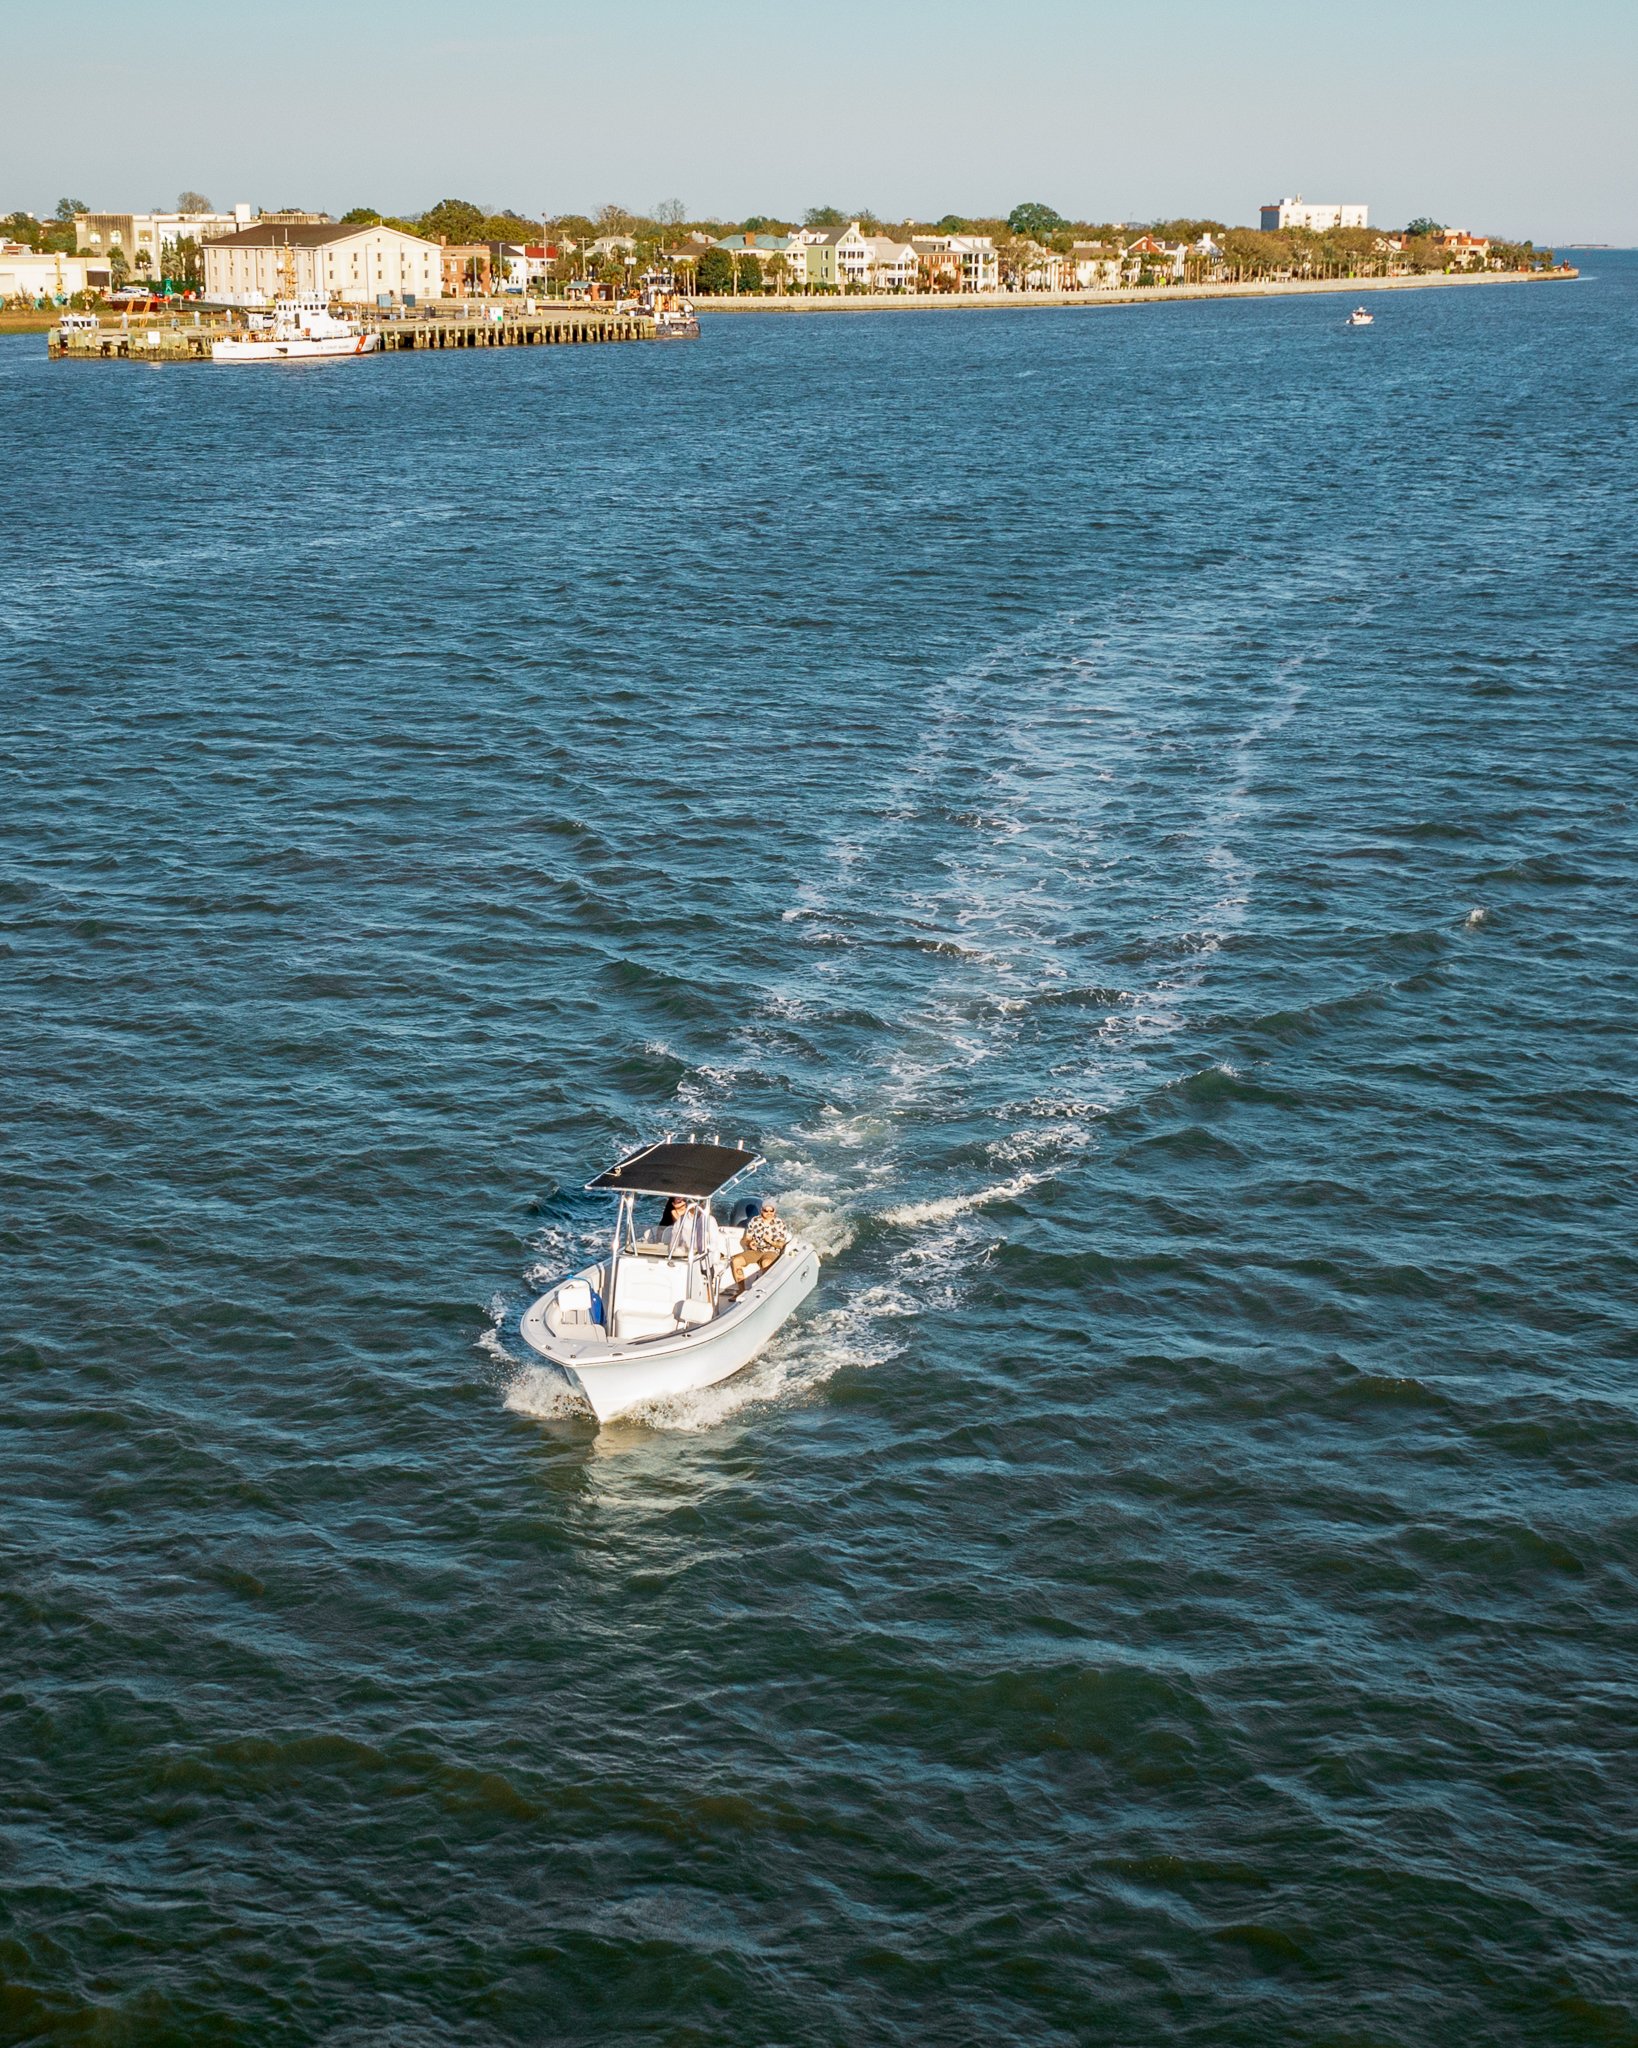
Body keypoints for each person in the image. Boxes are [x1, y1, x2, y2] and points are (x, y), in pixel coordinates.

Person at [730, 1198, 787, 1293]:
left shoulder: (780, 1224)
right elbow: (746, 1239)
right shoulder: (754, 1221)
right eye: (766, 1210)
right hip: (755, 1251)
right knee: (736, 1261)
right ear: (761, 1210)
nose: (768, 1213)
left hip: (771, 1251)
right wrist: (750, 1243)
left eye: (771, 1210)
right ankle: (741, 1291)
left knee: (766, 1263)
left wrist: (771, 1241)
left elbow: (781, 1245)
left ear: (774, 1211)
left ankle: (765, 1290)